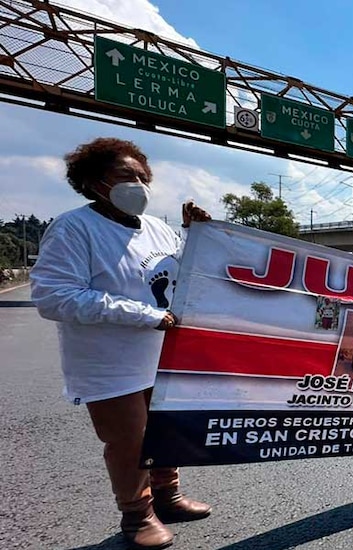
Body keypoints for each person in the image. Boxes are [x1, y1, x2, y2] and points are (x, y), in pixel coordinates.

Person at [30, 138, 212, 549]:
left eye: (143, 177)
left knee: (165, 428)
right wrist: (146, 316)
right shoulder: (74, 228)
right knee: (130, 439)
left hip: (161, 354)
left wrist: (193, 234)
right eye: (126, 176)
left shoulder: (157, 228)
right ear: (93, 182)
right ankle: (137, 513)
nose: (139, 185)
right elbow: (54, 296)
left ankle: (167, 495)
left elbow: (181, 274)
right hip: (110, 361)